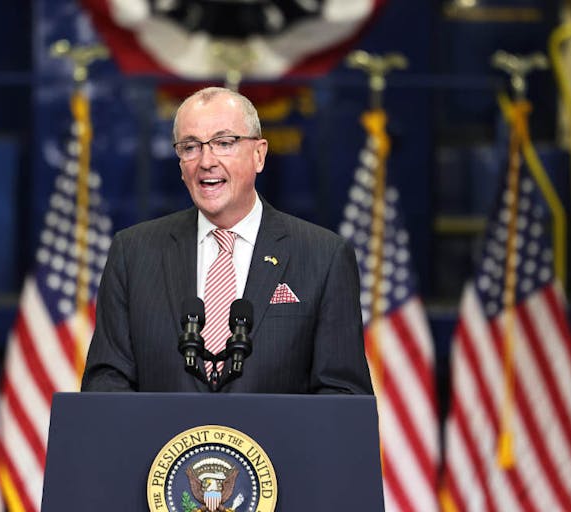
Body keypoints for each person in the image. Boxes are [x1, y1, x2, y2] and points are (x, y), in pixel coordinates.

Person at [81, 86, 372, 394]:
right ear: (180, 163)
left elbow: (343, 395)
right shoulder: (133, 253)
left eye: (223, 143)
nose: (206, 161)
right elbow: (105, 384)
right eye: (190, 147)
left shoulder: (324, 257)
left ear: (259, 155)